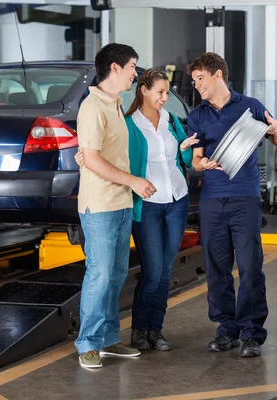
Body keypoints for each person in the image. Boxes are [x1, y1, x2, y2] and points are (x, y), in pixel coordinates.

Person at [76, 69, 198, 352]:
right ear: (143, 90)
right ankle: (138, 330)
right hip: (148, 205)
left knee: (165, 272)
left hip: (176, 200)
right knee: (152, 272)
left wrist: (187, 148)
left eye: (167, 93)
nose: (165, 98)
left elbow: (186, 158)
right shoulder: (128, 124)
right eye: (160, 92)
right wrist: (83, 156)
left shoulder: (170, 120)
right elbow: (108, 154)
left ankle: (156, 330)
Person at [186, 52, 277, 358]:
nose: (197, 86)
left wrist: (273, 130)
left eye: (200, 79)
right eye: (194, 82)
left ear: (218, 75)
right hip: (212, 199)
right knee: (217, 267)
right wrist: (201, 163)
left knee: (249, 265)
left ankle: (252, 333)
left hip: (244, 196)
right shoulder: (198, 115)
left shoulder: (251, 106)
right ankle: (226, 329)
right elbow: (195, 158)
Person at [75, 43, 157, 369]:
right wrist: (134, 181)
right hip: (100, 205)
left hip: (120, 204)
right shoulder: (93, 107)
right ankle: (88, 343)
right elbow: (93, 159)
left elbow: (97, 153)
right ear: (115, 68)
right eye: (133, 67)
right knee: (100, 274)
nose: (135, 73)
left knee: (116, 274)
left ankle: (109, 338)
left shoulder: (116, 105)